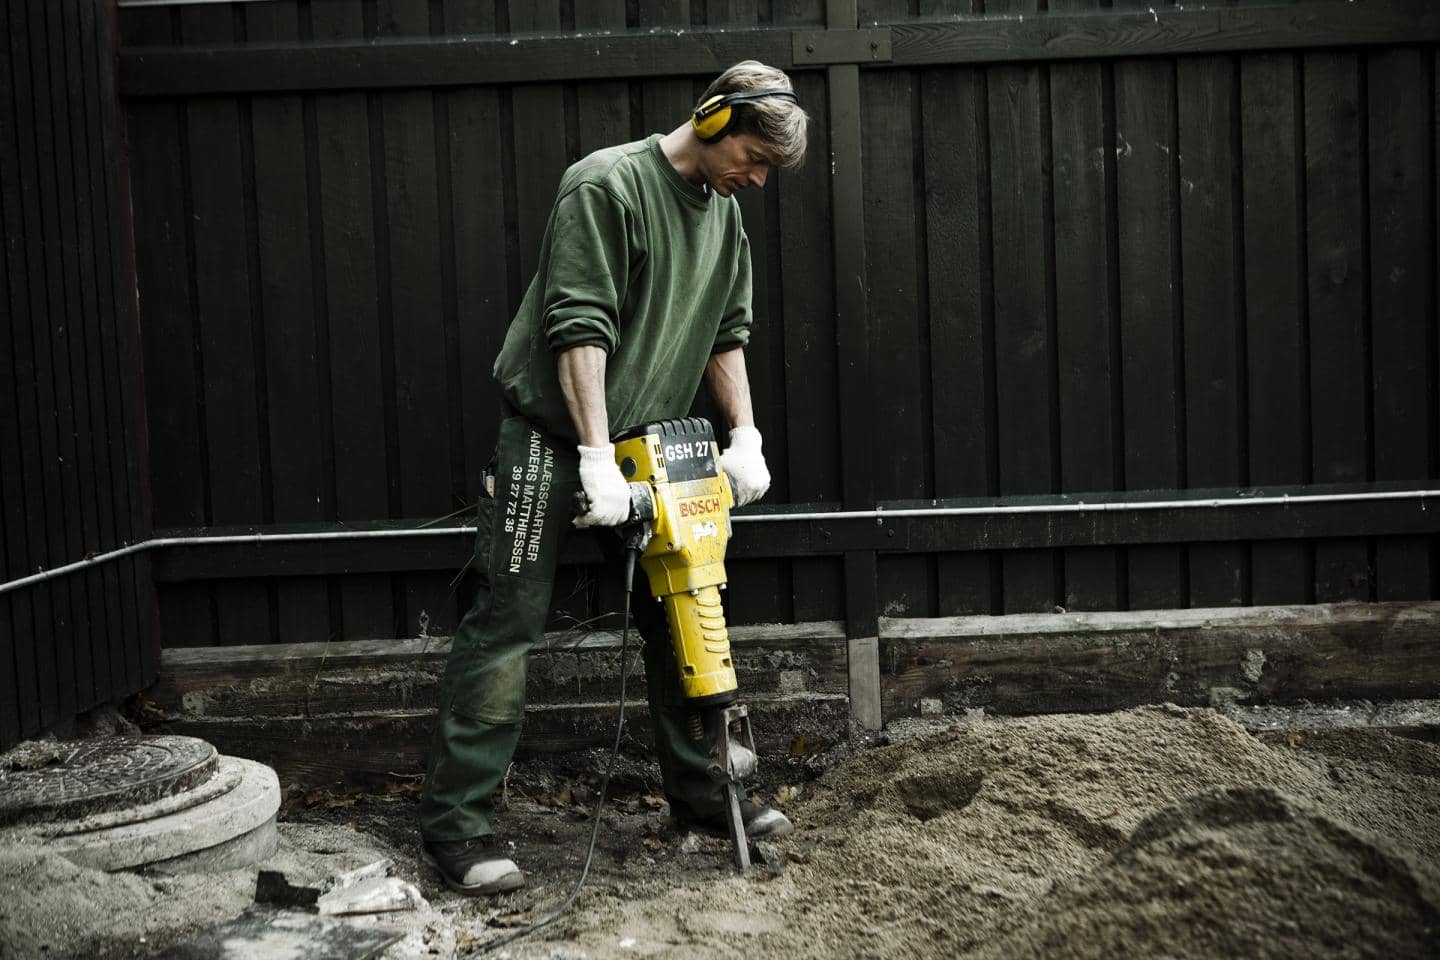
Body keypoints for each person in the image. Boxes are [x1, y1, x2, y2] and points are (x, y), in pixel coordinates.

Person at [418, 61, 809, 895]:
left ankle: (705, 796)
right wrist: (594, 457)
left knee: (683, 618)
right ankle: (459, 829)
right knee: (507, 623)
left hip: (658, 446)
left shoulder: (724, 216)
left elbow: (725, 332)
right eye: (752, 154)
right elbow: (579, 327)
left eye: (770, 167)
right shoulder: (607, 186)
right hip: (554, 442)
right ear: (711, 122)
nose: (759, 176)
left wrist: (746, 436)